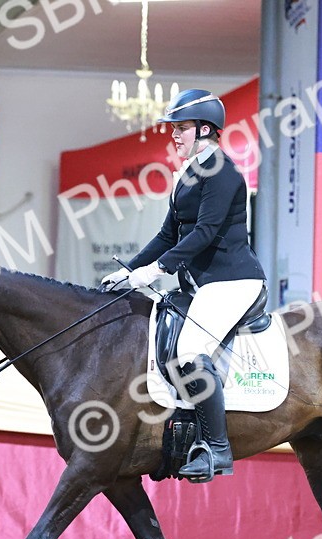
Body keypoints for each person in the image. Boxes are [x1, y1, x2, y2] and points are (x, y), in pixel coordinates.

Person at [100, 88, 267, 482]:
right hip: (201, 284)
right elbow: (167, 234)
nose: (174, 136)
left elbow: (206, 233)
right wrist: (132, 270)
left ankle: (218, 449)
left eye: (181, 129)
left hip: (233, 281)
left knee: (191, 350)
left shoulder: (223, 172)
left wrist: (156, 271)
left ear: (205, 129)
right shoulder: (185, 174)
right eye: (174, 129)